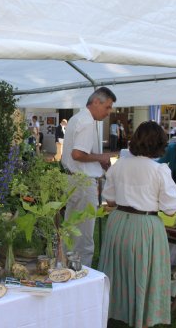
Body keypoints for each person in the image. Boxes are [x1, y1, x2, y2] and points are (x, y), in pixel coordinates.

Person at [98, 121, 176, 328]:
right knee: (143, 273)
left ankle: (114, 312)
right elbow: (171, 208)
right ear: (160, 143)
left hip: (118, 222)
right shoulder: (159, 170)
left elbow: (109, 200)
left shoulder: (119, 166)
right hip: (145, 225)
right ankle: (141, 319)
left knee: (117, 271)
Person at [61, 87, 115, 266]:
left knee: (71, 231)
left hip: (74, 179)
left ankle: (66, 268)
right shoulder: (86, 122)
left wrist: (98, 161)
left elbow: (78, 154)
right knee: (84, 237)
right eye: (107, 107)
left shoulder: (78, 118)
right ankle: (82, 274)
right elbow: (77, 154)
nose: (109, 112)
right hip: (82, 182)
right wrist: (100, 157)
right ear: (96, 102)